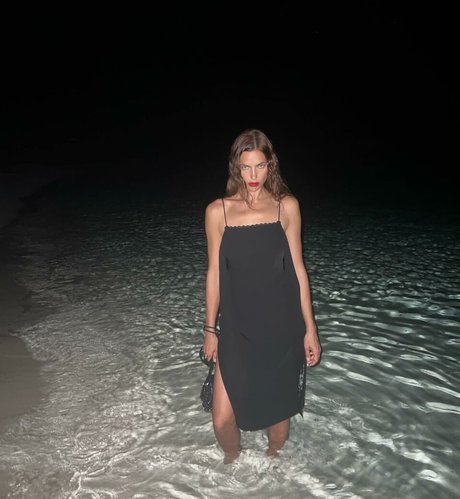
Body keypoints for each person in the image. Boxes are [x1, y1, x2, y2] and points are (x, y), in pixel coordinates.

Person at [201, 128, 321, 464]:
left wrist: (310, 329)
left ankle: (272, 466)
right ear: (235, 167)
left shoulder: (287, 207)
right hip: (236, 326)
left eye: (260, 166)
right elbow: (213, 274)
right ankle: (233, 462)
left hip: (282, 326)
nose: (253, 175)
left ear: (271, 165)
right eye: (246, 167)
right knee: (222, 418)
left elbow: (299, 270)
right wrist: (209, 329)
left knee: (277, 412)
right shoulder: (218, 212)